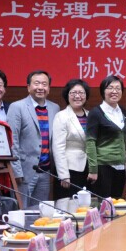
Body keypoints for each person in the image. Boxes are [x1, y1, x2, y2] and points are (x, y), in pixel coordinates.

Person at [7, 70, 60, 207]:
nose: (40, 87)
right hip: (24, 171)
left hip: (45, 171)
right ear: (28, 87)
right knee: (21, 211)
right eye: (36, 83)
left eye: (44, 84)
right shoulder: (17, 107)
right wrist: (16, 171)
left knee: (40, 211)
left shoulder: (55, 108)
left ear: (49, 88)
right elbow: (12, 140)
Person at [86, 75, 126, 198]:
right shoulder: (95, 113)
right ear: (103, 91)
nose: (114, 91)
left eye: (118, 88)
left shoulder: (124, 111)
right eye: (110, 88)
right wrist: (93, 169)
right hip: (103, 167)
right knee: (103, 204)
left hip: (121, 166)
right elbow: (90, 142)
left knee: (117, 202)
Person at [52, 79, 91, 199]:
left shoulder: (91, 115)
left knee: (86, 205)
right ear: (67, 95)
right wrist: (63, 174)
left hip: (88, 169)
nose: (77, 96)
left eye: (81, 93)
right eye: (73, 93)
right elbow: (58, 147)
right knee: (68, 204)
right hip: (70, 170)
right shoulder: (62, 116)